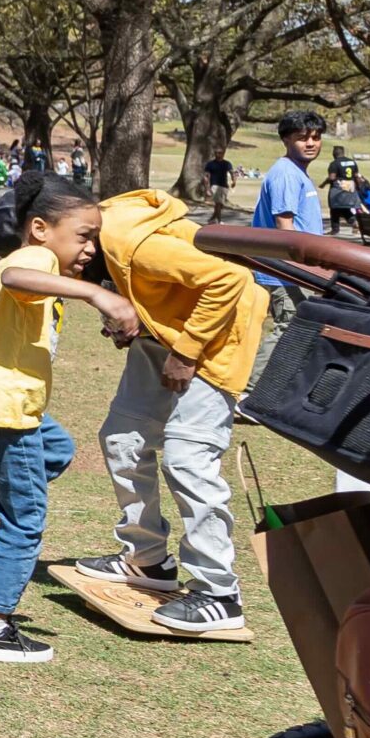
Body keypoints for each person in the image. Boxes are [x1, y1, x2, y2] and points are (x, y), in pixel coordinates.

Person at [0, 177, 142, 665]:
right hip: (4, 405)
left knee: (58, 448)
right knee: (27, 519)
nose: (91, 248)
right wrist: (100, 296)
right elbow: (18, 280)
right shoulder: (32, 261)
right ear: (41, 228)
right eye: (84, 235)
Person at [69, 187, 267, 636]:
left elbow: (228, 282)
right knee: (122, 438)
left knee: (187, 457)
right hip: (161, 338)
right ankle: (148, 560)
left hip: (215, 340)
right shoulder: (97, 245)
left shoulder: (134, 244)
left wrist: (189, 350)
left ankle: (220, 593)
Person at [250, 108, 326, 363]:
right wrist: (302, 270)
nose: (311, 143)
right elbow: (286, 229)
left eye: (316, 137)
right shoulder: (286, 173)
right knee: (287, 329)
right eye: (303, 138)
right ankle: (251, 391)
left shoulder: (296, 171)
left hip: (297, 269)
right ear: (286, 140)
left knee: (293, 329)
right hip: (287, 272)